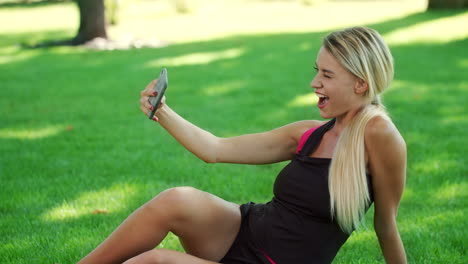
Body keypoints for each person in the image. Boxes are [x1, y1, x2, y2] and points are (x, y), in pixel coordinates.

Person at [78, 26, 407, 264]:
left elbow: (386, 225)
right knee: (175, 200)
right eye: (316, 71)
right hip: (246, 231)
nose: (314, 82)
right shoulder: (309, 134)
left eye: (327, 75)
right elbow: (215, 149)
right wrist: (160, 111)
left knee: (157, 262)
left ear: (361, 83)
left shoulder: (380, 136)